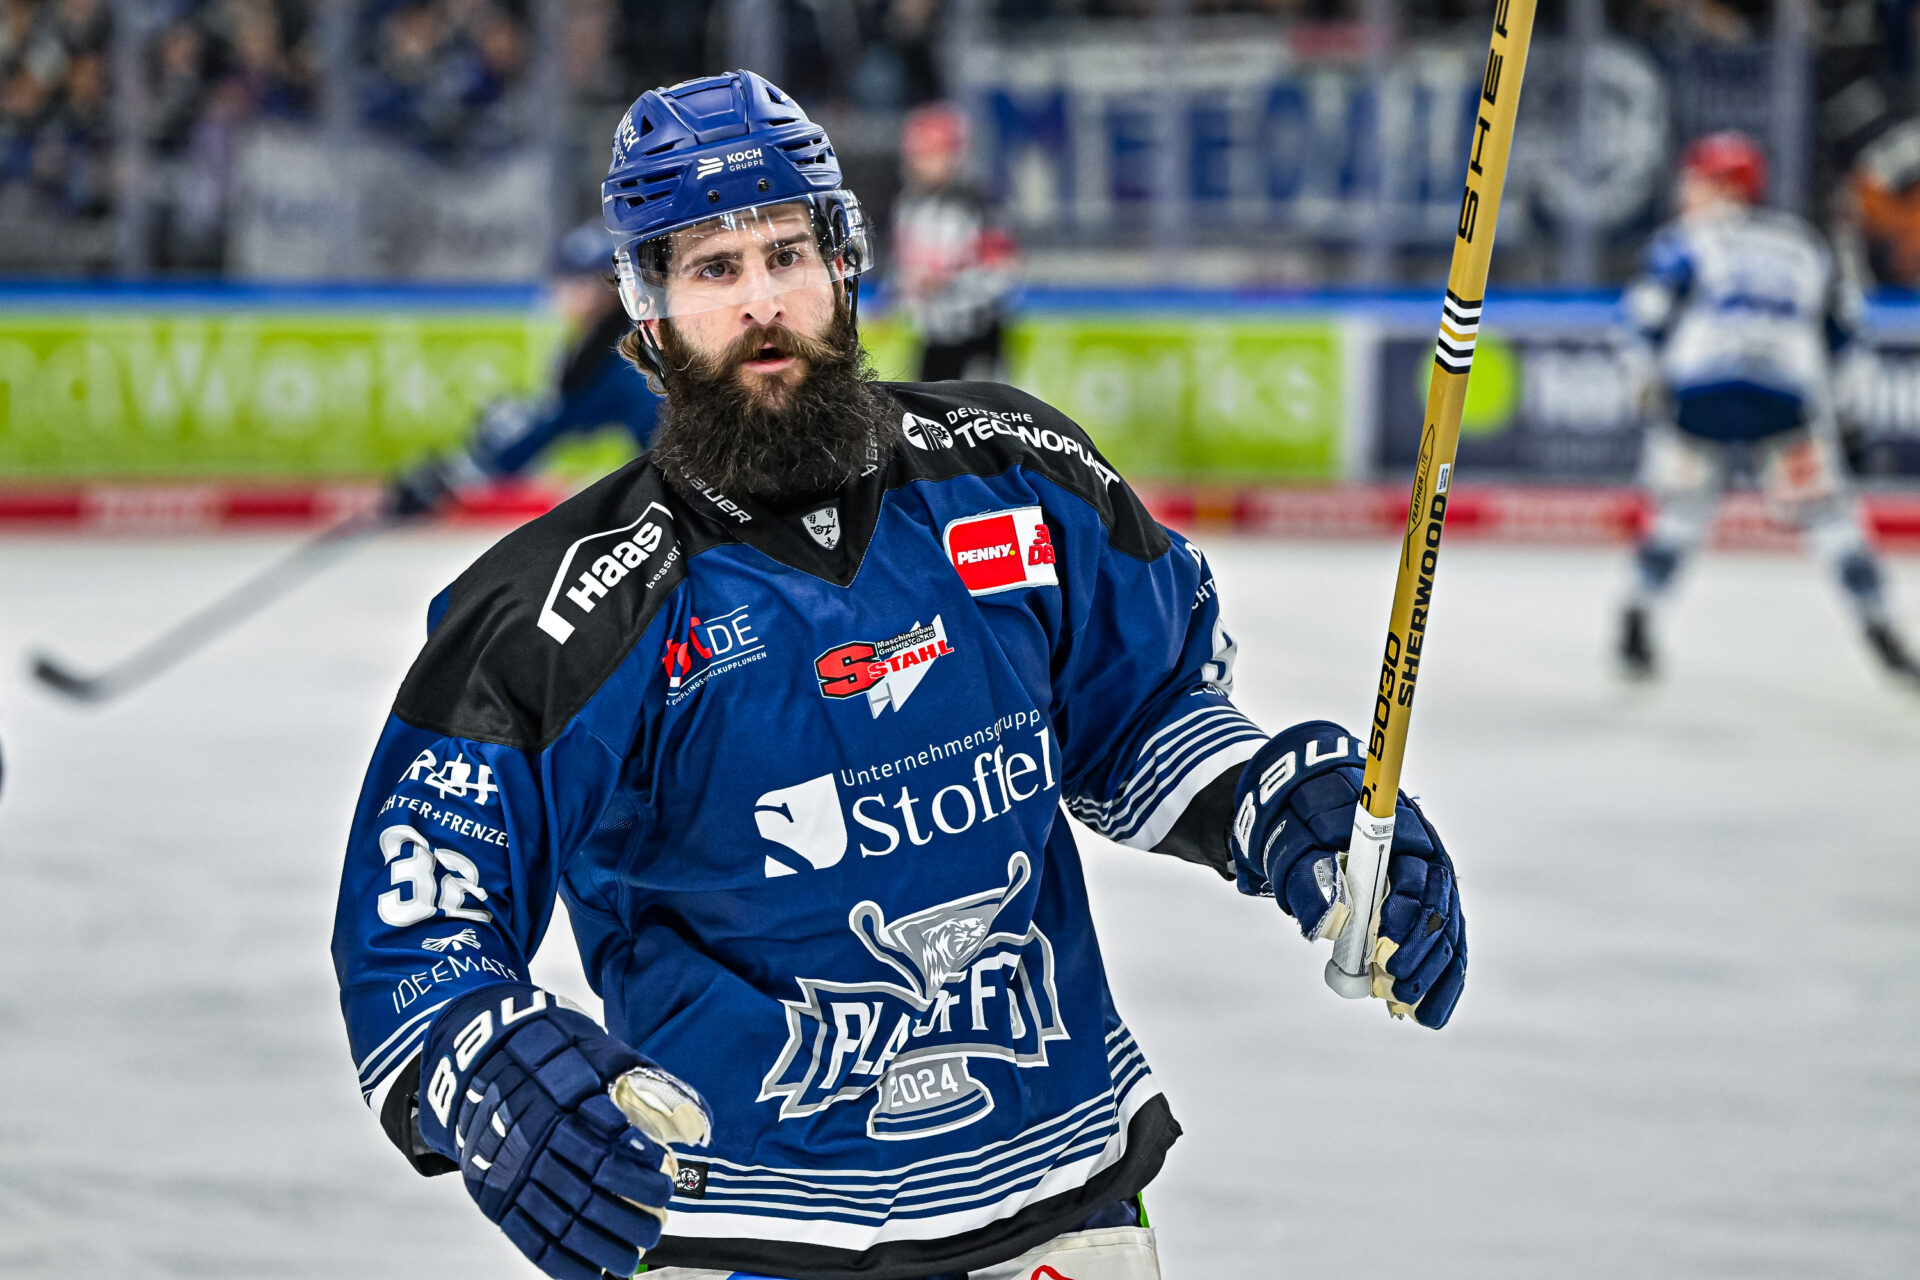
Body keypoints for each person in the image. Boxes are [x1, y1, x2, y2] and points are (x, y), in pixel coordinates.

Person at [331, 69, 1466, 1280]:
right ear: (648, 313)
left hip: (1054, 1191)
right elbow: (424, 913)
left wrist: (1279, 805)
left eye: (786, 253)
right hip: (748, 1222)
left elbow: (1143, 714)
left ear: (845, 264)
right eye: (713, 269)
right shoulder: (566, 604)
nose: (762, 301)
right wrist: (483, 1056)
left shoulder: (1017, 474)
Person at [1618, 130, 1920, 687]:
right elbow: (1847, 339)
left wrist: (1643, 388)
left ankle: (1637, 609)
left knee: (1681, 513)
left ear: (1722, 186)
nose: (1686, 190)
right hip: (1784, 396)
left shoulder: (1688, 239)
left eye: (1697, 180)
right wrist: (1851, 420)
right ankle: (1881, 626)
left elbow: (1644, 319)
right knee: (1830, 518)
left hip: (1702, 392)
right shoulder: (1803, 244)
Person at [386, 221, 661, 517]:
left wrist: (458, 474)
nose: (563, 291)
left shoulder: (618, 353)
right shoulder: (609, 339)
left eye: (579, 281)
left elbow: (552, 421)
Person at [890, 101, 1016, 383]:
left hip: (977, 336)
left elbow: (1002, 272)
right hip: (934, 336)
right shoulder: (908, 205)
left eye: (929, 154)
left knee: (982, 405)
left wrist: (946, 282)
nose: (919, 163)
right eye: (917, 154)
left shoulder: (979, 204)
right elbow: (903, 267)